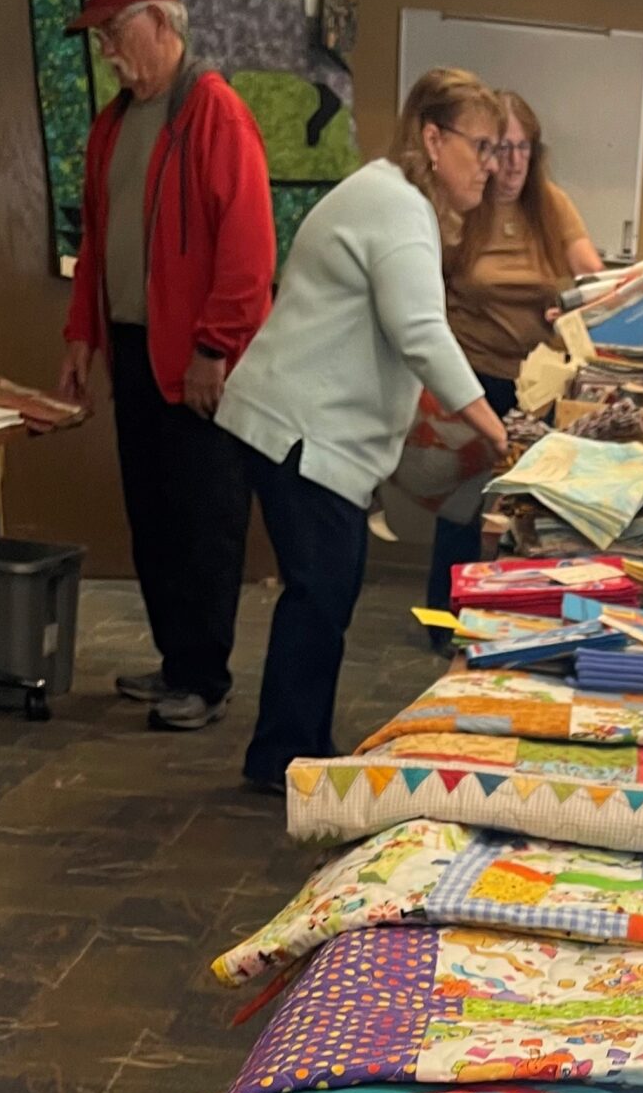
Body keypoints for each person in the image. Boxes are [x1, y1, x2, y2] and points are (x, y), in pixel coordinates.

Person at [217, 70, 510, 794]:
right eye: (481, 145)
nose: (492, 164)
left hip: (309, 429)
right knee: (320, 593)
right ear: (433, 139)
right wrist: (494, 428)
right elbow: (419, 333)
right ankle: (284, 758)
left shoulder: (391, 197)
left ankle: (303, 745)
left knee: (328, 592)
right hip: (301, 431)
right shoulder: (395, 205)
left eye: (500, 149)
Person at [57, 0, 274, 732]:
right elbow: (98, 244)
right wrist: (82, 335)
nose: (106, 49)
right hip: (132, 352)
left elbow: (249, 252)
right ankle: (175, 659)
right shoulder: (113, 126)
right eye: (99, 36)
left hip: (199, 365)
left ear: (157, 20)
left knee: (203, 521)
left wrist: (216, 349)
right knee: (151, 516)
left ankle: (205, 678)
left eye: (113, 31)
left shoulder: (215, 111)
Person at [427, 91, 603, 602]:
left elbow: (589, 273)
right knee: (463, 510)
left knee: (534, 512)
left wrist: (580, 302)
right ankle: (447, 615)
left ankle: (523, 610)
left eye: (525, 148)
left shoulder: (551, 204)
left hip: (540, 386)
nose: (514, 162)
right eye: (502, 148)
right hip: (472, 379)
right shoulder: (461, 207)